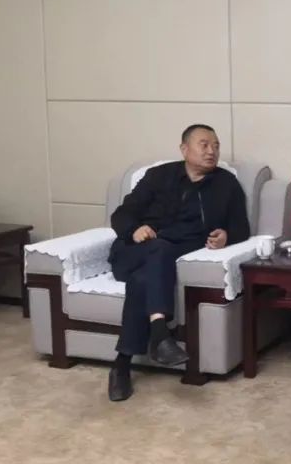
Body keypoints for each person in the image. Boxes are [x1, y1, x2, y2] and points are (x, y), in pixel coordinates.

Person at [106, 124, 250, 401]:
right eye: (204, 144)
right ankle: (160, 334)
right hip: (136, 251)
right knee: (157, 250)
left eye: (216, 146)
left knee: (143, 280)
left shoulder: (226, 184)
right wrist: (134, 229)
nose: (211, 151)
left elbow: (241, 227)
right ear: (184, 149)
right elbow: (122, 215)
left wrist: (226, 236)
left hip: (173, 256)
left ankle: (121, 365)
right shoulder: (158, 176)